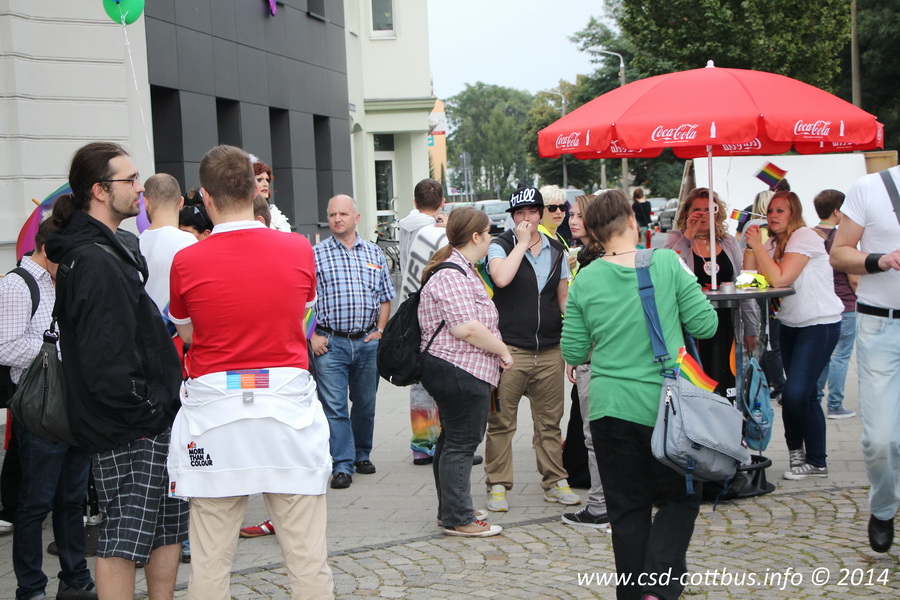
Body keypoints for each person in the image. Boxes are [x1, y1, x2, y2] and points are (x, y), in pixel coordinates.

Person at [167, 145, 333, 599]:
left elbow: (187, 333)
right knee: (307, 558)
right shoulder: (298, 248)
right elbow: (303, 318)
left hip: (215, 414)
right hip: (287, 411)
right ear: (252, 189)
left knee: (210, 561)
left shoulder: (187, 260)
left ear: (205, 196)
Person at [44, 142, 186, 600]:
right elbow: (105, 358)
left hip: (149, 419)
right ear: (99, 191)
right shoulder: (93, 259)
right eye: (130, 179)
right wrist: (146, 411)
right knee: (124, 536)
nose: (140, 187)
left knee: (165, 527)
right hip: (127, 424)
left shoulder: (115, 248)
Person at [561, 189, 718, 600]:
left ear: (594, 232)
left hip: (609, 408)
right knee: (680, 499)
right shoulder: (666, 262)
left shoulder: (585, 277)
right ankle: (659, 586)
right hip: (664, 407)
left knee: (627, 510)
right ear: (632, 219)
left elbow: (573, 352)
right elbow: (705, 326)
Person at [2, 220, 98, 600]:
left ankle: (75, 580)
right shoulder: (17, 285)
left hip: (75, 408)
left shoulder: (64, 281)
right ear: (46, 249)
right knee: (35, 503)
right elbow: (4, 347)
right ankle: (31, 588)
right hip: (40, 410)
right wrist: (59, 354)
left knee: (72, 500)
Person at [483, 186, 579, 512]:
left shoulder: (556, 249)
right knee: (501, 422)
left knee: (550, 422)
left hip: (550, 349)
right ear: (512, 216)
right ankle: (498, 484)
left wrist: (572, 342)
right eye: (520, 213)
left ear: (540, 213)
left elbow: (563, 299)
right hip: (510, 349)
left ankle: (555, 481)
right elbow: (501, 278)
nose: (527, 218)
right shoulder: (500, 245)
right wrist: (522, 244)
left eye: (532, 212)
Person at [417, 207, 511, 538]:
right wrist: (502, 350)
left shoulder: (461, 268)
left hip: (458, 369)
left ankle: (452, 509)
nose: (491, 238)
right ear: (475, 236)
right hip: (458, 369)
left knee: (452, 440)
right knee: (461, 443)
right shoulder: (452, 274)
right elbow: (465, 327)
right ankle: (459, 518)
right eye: (488, 233)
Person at [744, 191, 842, 481]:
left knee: (795, 394)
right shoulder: (773, 243)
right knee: (805, 395)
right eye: (770, 211)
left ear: (794, 213)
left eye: (780, 211)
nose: (773, 216)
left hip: (819, 324)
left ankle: (803, 453)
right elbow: (748, 281)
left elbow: (780, 278)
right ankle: (813, 460)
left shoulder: (804, 237)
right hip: (789, 325)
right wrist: (751, 248)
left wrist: (758, 248)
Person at [830, 164, 900, 553]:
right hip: (881, 327)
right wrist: (880, 260)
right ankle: (884, 507)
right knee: (881, 440)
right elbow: (839, 254)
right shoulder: (871, 187)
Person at [311, 194, 395, 489]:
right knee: (334, 407)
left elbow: (385, 297)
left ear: (356, 218)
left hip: (367, 342)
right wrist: (312, 335)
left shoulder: (374, 253)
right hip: (330, 343)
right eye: (332, 214)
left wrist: (380, 331)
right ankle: (342, 464)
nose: (337, 219)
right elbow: (301, 300)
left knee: (365, 404)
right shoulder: (315, 254)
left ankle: (361, 454)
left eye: (343, 214)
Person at [560, 193, 610, 529]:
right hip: (597, 357)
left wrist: (577, 354)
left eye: (579, 215)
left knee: (597, 436)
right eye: (572, 214)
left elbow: (592, 317)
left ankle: (600, 506)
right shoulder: (587, 256)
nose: (572, 220)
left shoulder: (597, 262)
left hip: (597, 359)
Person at [664, 188, 758, 364]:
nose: (703, 215)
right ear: (687, 213)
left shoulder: (728, 242)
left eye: (709, 210)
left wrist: (750, 328)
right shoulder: (677, 238)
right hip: (690, 325)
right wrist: (689, 235)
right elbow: (667, 268)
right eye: (697, 210)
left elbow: (744, 285)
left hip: (727, 322)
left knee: (727, 374)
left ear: (717, 212)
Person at [397, 178, 447, 466]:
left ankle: (420, 445)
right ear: (442, 202)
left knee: (418, 379)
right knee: (441, 376)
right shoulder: (436, 232)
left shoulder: (405, 227)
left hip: (409, 308)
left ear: (415, 202)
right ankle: (442, 441)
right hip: (433, 311)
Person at [811, 189, 858, 419]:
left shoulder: (810, 235)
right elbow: (854, 278)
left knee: (823, 357)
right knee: (840, 356)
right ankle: (836, 405)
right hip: (845, 304)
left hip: (820, 305)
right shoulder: (842, 239)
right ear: (837, 211)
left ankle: (814, 399)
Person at [139, 173, 197, 322]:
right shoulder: (188, 243)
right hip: (179, 329)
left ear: (145, 203)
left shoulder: (134, 244)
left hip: (145, 328)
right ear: (181, 202)